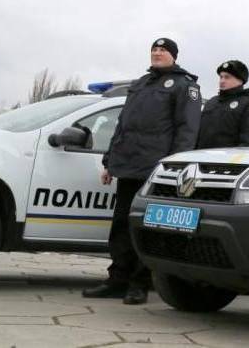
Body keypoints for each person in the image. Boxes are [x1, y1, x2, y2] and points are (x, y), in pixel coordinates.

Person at [83, 37, 201, 305]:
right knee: (121, 225)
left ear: (173, 56)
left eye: (163, 50)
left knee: (146, 228)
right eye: (154, 49)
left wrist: (174, 169)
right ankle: (117, 280)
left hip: (154, 169)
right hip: (128, 164)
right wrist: (109, 162)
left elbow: (187, 130)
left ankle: (139, 283)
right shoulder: (141, 84)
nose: (157, 53)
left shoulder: (185, 87)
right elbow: (122, 125)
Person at [196, 60, 249, 149]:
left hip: (226, 161)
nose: (222, 81)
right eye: (221, 77)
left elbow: (248, 144)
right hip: (200, 159)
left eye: (227, 77)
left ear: (240, 80)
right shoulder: (212, 102)